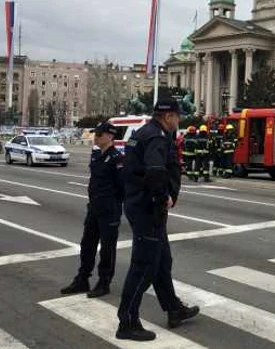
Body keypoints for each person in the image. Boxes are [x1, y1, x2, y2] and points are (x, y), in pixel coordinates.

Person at [116, 99, 199, 342]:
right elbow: (155, 171)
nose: (179, 121)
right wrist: (163, 198)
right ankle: (127, 321)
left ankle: (173, 308)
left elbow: (130, 168)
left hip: (140, 204)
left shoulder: (141, 133)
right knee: (145, 267)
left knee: (162, 261)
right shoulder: (157, 137)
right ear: (169, 116)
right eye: (177, 116)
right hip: (148, 209)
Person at [60, 121, 124, 298]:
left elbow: (122, 186)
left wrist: (112, 202)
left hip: (109, 208)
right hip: (94, 207)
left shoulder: (117, 158)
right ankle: (82, 279)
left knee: (107, 248)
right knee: (87, 244)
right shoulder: (96, 156)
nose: (95, 137)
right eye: (95, 134)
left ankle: (104, 281)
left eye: (99, 135)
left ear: (110, 136)